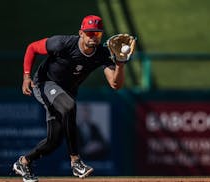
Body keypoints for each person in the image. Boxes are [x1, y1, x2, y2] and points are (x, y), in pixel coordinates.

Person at [12, 15, 129, 182]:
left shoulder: (102, 53)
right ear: (81, 33)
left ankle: (23, 162)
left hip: (66, 92)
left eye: (96, 33)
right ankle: (76, 161)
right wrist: (26, 76)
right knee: (68, 105)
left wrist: (120, 65)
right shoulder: (62, 43)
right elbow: (32, 48)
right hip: (45, 83)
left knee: (54, 141)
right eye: (89, 33)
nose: (93, 37)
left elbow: (115, 84)